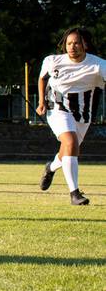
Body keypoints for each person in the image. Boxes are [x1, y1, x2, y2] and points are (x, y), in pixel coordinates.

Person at [36, 27, 105, 205]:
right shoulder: (52, 61)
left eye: (76, 43)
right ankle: (74, 194)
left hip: (83, 115)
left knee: (69, 150)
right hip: (57, 109)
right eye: (69, 43)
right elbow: (43, 78)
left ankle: (50, 168)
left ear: (85, 45)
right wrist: (42, 102)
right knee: (71, 143)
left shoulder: (98, 65)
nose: (72, 46)